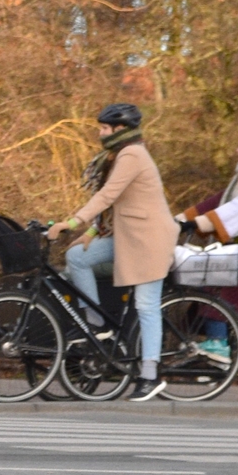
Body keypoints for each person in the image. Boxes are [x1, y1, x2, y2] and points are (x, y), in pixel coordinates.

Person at [53, 101, 177, 398]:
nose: (100, 133)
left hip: (150, 241)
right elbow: (117, 203)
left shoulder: (133, 154)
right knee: (77, 257)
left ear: (120, 129)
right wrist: (92, 232)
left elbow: (109, 195)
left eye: (105, 128)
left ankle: (150, 374)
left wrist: (72, 222)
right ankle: (97, 325)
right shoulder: (120, 154)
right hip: (128, 238)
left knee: (146, 307)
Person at [178, 125, 238, 312]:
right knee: (213, 277)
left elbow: (237, 209)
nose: (237, 150)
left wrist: (193, 224)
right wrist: (177, 219)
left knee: (220, 281)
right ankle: (233, 330)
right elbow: (215, 203)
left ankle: (218, 340)